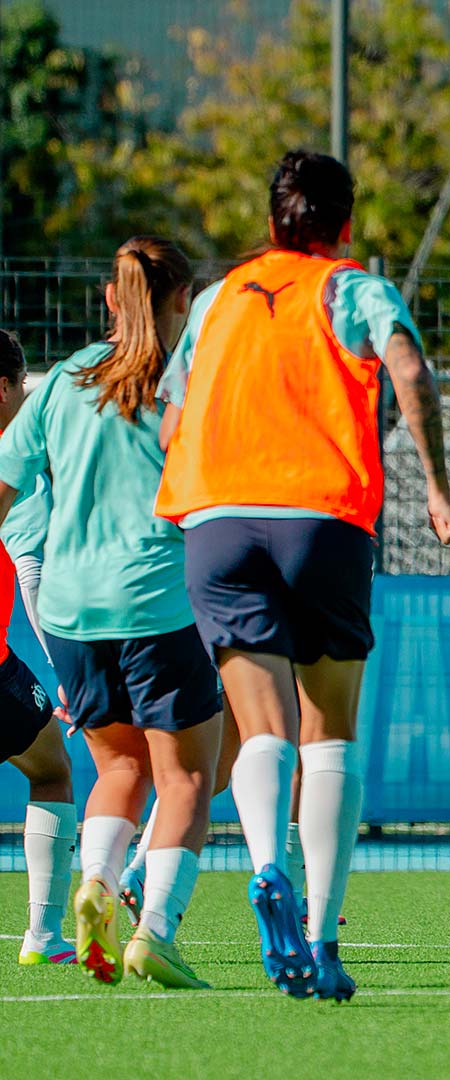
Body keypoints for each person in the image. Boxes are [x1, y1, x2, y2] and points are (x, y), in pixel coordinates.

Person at [154, 149, 450, 1000]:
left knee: (262, 728)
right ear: (346, 225)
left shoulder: (216, 300)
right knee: (329, 731)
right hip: (319, 519)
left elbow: (172, 419)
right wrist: (437, 487)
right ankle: (322, 938)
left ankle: (266, 866)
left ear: (271, 223)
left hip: (217, 523)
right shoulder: (352, 289)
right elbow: (409, 369)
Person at [0, 238, 226, 990]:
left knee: (118, 766)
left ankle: (95, 881)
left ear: (109, 298)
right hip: (157, 599)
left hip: (69, 610)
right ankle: (155, 930)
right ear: (183, 300)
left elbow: (3, 487)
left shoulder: (63, 381)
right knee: (186, 776)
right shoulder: (188, 382)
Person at [0, 330, 76, 968]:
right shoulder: (12, 458)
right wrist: (69, 667)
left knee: (48, 758)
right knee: (51, 770)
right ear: (3, 387)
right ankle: (44, 935)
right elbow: (33, 573)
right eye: (21, 386)